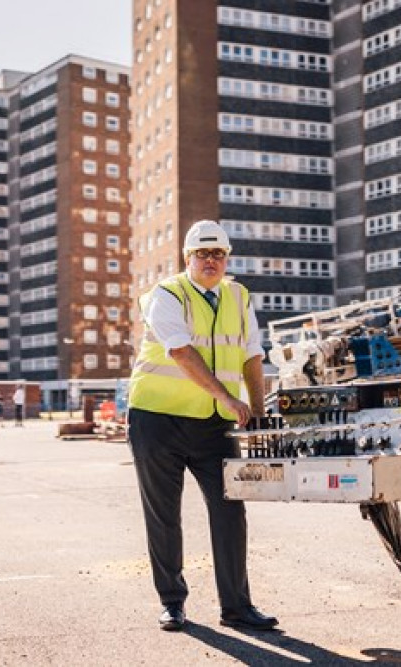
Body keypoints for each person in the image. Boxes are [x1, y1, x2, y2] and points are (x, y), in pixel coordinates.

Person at [127, 219, 276, 633]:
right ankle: (172, 602)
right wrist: (228, 398)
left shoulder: (238, 295)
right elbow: (180, 351)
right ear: (187, 258)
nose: (210, 260)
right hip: (158, 420)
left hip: (214, 426)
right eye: (202, 253)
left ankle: (237, 607)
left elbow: (251, 355)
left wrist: (258, 413)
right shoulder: (167, 294)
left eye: (218, 254)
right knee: (164, 516)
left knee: (231, 513)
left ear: (227, 259)